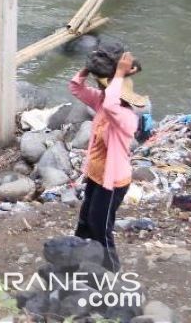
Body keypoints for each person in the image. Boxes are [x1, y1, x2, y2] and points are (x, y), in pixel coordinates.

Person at [69, 50, 147, 271]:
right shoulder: (103, 102)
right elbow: (76, 88)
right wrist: (88, 67)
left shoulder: (126, 117)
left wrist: (120, 73)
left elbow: (112, 106)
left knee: (100, 227)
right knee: (85, 222)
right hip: (96, 175)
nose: (104, 92)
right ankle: (78, 261)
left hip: (112, 182)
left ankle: (112, 271)